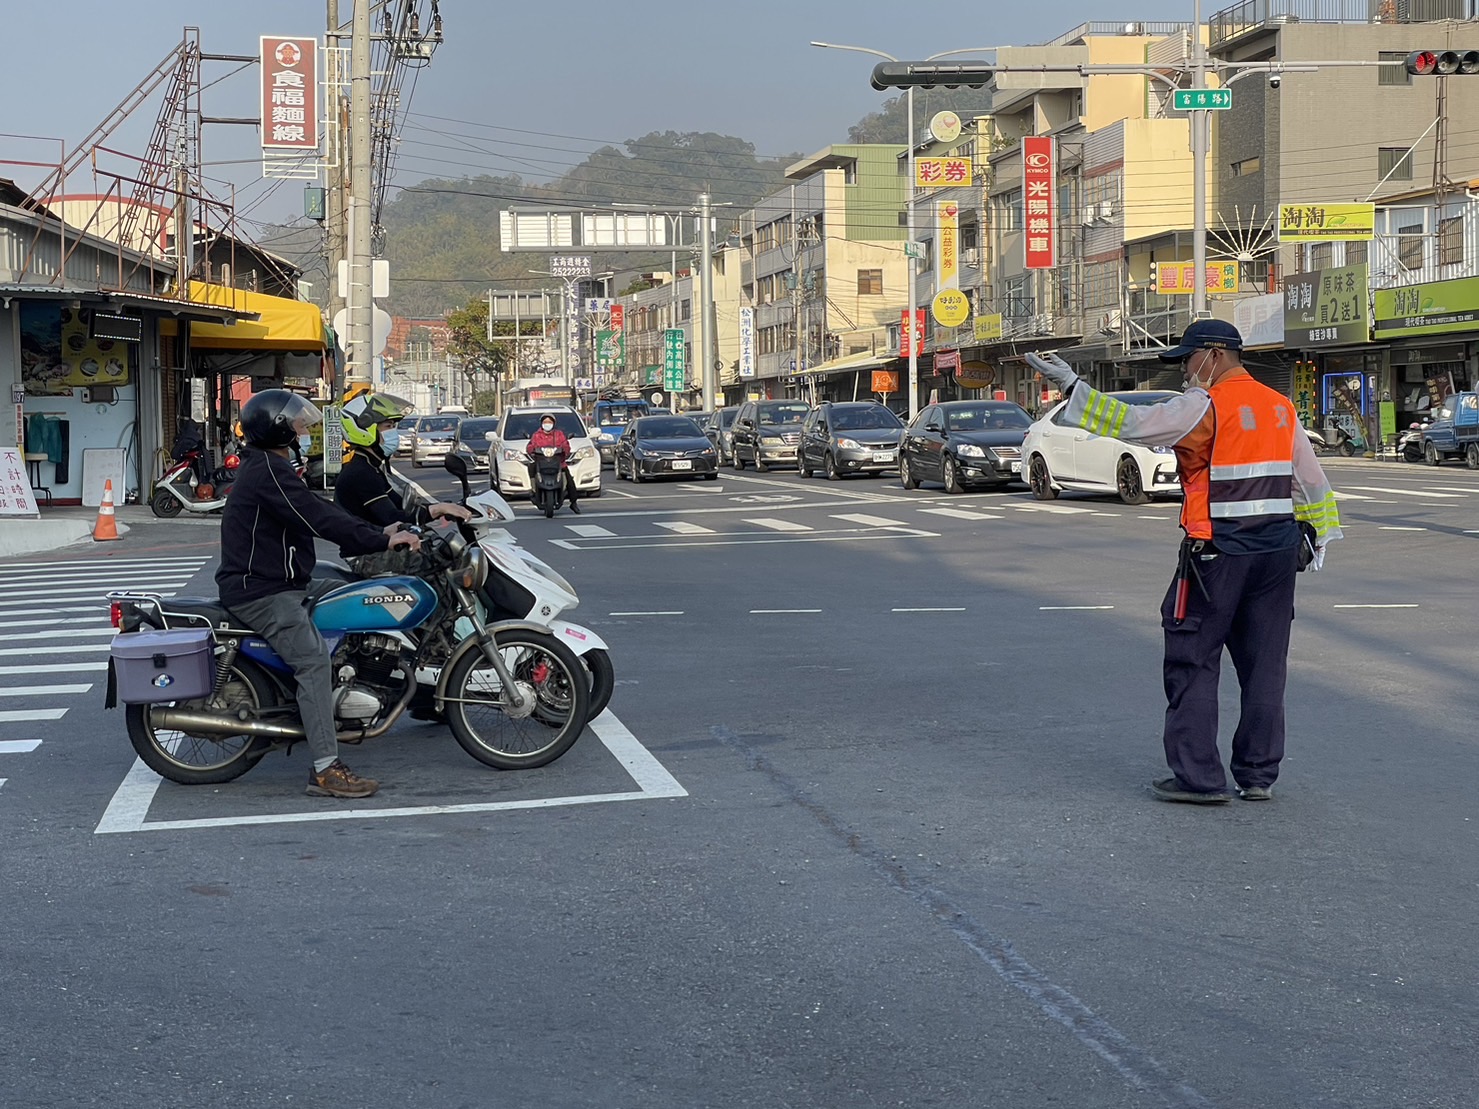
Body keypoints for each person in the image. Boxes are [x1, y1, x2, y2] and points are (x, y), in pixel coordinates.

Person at [1027, 319, 1343, 805]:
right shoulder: (1280, 407)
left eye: (1188, 361)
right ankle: (1258, 774)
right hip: (1277, 554)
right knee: (1265, 665)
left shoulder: (1205, 404)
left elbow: (1132, 424)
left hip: (1216, 554)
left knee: (1192, 659)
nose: (1185, 373)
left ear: (1214, 356)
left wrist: (1072, 386)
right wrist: (1316, 538)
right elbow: (1310, 480)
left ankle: (1199, 778)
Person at [215, 389, 421, 800]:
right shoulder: (267, 472)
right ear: (276, 428)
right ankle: (326, 769)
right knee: (312, 663)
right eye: (296, 424)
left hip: (285, 580)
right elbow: (316, 518)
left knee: (356, 591)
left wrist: (378, 533)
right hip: (261, 590)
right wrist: (379, 541)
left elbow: (318, 508)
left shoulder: (272, 467)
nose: (303, 431)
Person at [333, 391, 471, 534]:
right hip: (370, 553)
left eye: (394, 426)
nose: (394, 433)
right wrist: (437, 509)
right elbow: (392, 519)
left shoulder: (370, 467)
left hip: (380, 544)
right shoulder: (360, 474)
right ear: (364, 431)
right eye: (388, 426)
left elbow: (401, 506)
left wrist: (444, 507)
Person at [527, 412, 580, 513]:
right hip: (541, 463)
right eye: (545, 422)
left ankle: (573, 503)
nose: (547, 424)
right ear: (541, 424)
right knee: (531, 467)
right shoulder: (536, 435)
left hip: (558, 462)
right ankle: (534, 491)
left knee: (569, 480)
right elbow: (530, 446)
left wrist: (565, 450)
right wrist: (532, 449)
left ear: (554, 423)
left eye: (550, 422)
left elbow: (566, 445)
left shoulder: (559, 434)